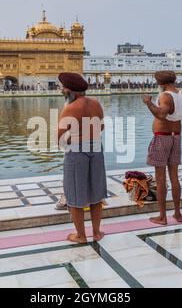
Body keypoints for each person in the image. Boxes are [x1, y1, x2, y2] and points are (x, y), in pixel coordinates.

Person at [143, 71, 182, 225]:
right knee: (174, 177)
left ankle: (162, 217)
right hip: (176, 137)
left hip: (162, 138)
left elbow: (162, 114)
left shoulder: (164, 96)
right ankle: (177, 213)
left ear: (161, 83)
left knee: (161, 179)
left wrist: (148, 103)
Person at [57, 72, 108, 244]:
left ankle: (80, 235)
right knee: (95, 193)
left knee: (75, 195)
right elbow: (101, 125)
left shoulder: (70, 108)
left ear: (70, 91)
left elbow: (59, 137)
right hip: (96, 148)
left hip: (77, 151)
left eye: (64, 88)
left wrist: (71, 138)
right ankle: (96, 232)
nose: (62, 90)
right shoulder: (95, 103)